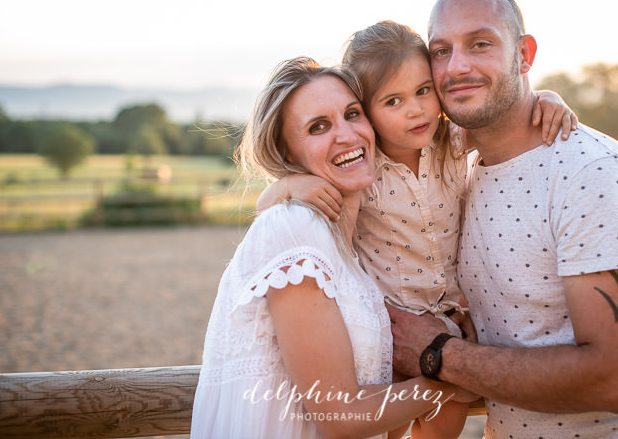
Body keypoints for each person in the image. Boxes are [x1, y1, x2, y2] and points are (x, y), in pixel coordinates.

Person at [385, 0, 618, 438]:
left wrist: (436, 353)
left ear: (524, 55)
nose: (457, 66)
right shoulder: (462, 177)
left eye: (480, 44)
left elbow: (612, 380)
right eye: (440, 50)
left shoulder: (593, 174)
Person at [256, 22, 578, 438]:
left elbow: (509, 118)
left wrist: (546, 99)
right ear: (366, 111)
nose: (416, 110)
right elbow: (267, 208)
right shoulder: (361, 170)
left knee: (446, 423)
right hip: (388, 322)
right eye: (394, 101)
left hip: (445, 316)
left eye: (424, 90)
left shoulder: (450, 141)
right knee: (393, 416)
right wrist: (288, 185)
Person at [190, 57, 477, 439]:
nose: (346, 135)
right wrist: (463, 377)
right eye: (319, 126)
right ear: (289, 155)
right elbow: (340, 416)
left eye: (352, 114)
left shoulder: (351, 248)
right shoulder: (294, 228)